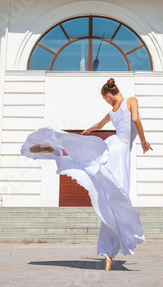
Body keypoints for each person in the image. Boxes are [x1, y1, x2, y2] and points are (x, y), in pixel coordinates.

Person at [20, 78, 152, 271]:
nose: (107, 102)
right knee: (116, 193)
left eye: (105, 99)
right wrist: (143, 141)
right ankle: (110, 248)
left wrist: (89, 130)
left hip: (112, 145)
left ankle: (59, 152)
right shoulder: (131, 100)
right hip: (120, 150)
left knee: (94, 172)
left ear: (108, 95)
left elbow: (100, 124)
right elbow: (135, 120)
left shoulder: (114, 110)